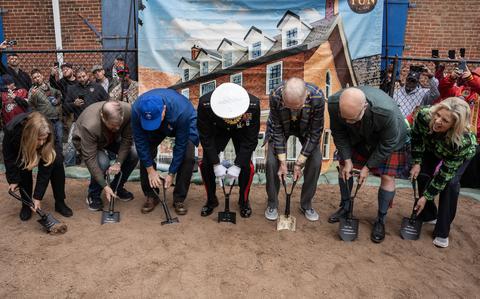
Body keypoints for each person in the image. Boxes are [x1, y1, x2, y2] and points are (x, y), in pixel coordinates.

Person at [328, 87, 408, 243]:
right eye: (345, 118)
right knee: (344, 168)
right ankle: (345, 207)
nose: (347, 122)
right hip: (357, 136)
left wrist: (367, 167)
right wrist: (348, 160)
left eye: (352, 119)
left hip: (388, 141)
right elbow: (338, 132)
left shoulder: (386, 112)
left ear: (364, 107)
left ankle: (381, 220)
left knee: (387, 176)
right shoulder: (333, 103)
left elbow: (388, 143)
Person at [410, 97, 476, 248]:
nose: (437, 121)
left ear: (454, 125)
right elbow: (417, 138)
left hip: (455, 153)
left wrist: (426, 197)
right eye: (438, 115)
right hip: (432, 146)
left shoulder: (463, 141)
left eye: (445, 121)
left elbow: (444, 174)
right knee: (422, 175)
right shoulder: (425, 115)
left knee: (450, 184)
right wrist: (417, 162)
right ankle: (428, 214)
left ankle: (442, 230)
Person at [264, 77, 325, 222]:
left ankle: (306, 204)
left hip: (307, 130)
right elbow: (277, 130)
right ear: (283, 96)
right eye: (288, 105)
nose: (292, 110)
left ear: (306, 97)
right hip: (281, 128)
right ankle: (272, 203)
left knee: (316, 161)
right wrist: (283, 163)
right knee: (271, 163)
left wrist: (299, 163)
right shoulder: (275, 95)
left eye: (296, 107)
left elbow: (315, 132)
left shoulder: (318, 97)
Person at [197, 83, 260, 218]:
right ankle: (211, 200)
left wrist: (237, 165)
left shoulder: (253, 104)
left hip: (241, 129)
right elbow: (205, 137)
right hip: (218, 129)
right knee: (206, 163)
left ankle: (243, 201)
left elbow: (251, 139)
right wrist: (215, 163)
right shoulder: (205, 104)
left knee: (245, 164)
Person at [132, 88, 198, 215]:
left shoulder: (182, 111)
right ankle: (151, 195)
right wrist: (150, 170)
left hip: (181, 121)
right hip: (158, 121)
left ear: (163, 110)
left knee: (187, 156)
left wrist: (172, 172)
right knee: (146, 152)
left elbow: (180, 145)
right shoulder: (136, 110)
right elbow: (141, 142)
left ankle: (179, 198)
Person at [2, 112, 72, 221]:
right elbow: (9, 157)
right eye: (39, 139)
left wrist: (37, 197)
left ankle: (60, 202)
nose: (41, 142)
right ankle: (26, 205)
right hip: (23, 145)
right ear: (30, 134)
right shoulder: (12, 130)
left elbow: (45, 170)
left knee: (57, 163)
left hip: (49, 145)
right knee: (23, 167)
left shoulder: (49, 132)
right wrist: (14, 179)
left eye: (44, 138)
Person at [72, 101, 138, 211]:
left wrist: (118, 163)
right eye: (113, 125)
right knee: (102, 162)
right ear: (103, 118)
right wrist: (104, 185)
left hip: (110, 138)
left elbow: (127, 139)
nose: (117, 128)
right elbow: (91, 160)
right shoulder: (90, 126)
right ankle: (94, 194)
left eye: (119, 125)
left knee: (134, 154)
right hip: (87, 140)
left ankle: (117, 187)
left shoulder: (129, 112)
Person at [64, 67, 109, 166]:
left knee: (99, 144)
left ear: (88, 75)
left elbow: (107, 102)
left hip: (96, 121)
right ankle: (68, 166)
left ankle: (103, 164)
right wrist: (74, 104)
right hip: (78, 120)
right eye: (79, 77)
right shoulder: (72, 89)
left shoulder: (97, 87)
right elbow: (65, 107)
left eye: (83, 76)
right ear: (76, 78)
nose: (82, 79)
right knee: (71, 143)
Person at [29, 69, 63, 149]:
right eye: (34, 78)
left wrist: (57, 101)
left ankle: (59, 157)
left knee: (59, 140)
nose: (37, 78)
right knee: (49, 141)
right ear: (32, 80)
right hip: (45, 120)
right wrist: (33, 95)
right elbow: (30, 104)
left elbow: (59, 94)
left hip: (57, 118)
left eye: (38, 76)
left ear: (42, 76)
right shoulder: (33, 90)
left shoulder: (49, 86)